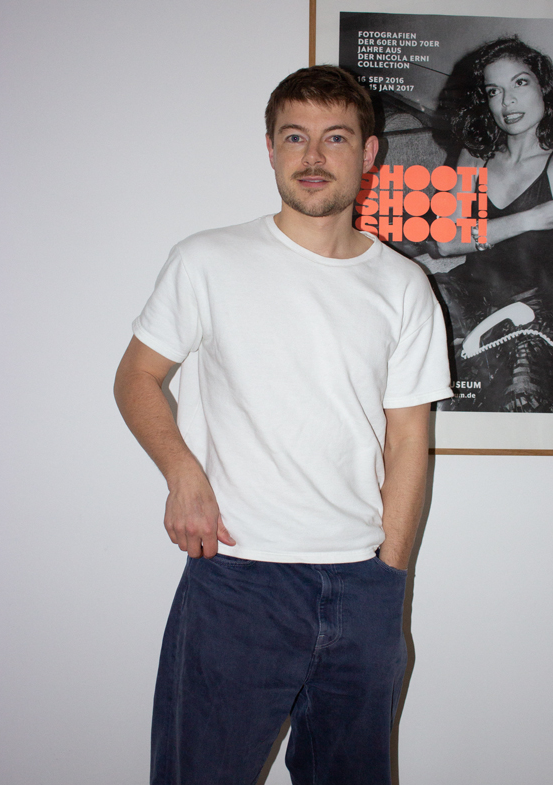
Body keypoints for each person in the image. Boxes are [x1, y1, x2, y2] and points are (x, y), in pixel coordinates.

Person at [114, 65, 452, 785]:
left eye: (337, 138)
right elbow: (136, 376)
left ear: (369, 153)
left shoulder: (404, 287)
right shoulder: (208, 260)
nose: (313, 156)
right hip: (238, 582)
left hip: (361, 585)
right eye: (295, 137)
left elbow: (408, 442)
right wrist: (182, 472)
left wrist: (389, 575)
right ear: (270, 148)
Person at [433, 26, 553, 412]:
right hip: (468, 290)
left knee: (520, 396)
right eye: (494, 91)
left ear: (543, 88)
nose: (508, 101)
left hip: (533, 305)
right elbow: (446, 241)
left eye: (520, 82)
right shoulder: (476, 154)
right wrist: (529, 219)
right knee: (412, 358)